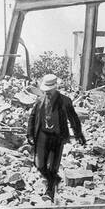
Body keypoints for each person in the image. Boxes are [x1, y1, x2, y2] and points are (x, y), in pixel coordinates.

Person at [26, 73, 85, 201]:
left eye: (49, 91)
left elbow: (73, 118)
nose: (47, 93)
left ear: (55, 88)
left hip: (57, 137)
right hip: (42, 136)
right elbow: (32, 118)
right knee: (39, 164)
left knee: (52, 166)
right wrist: (30, 134)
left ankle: (49, 191)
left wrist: (78, 134)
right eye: (45, 91)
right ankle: (55, 180)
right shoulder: (40, 101)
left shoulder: (65, 101)